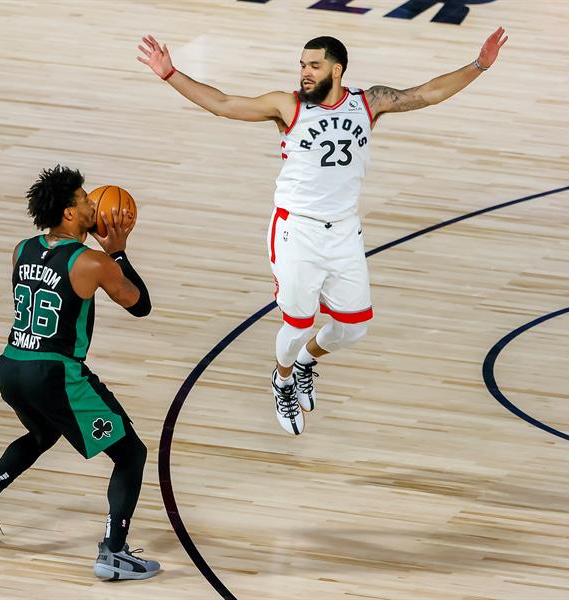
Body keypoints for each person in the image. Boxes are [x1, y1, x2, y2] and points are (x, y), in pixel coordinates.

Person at [137, 29, 507, 435]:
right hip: (297, 230)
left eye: (313, 66)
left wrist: (479, 66)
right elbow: (224, 104)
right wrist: (170, 73)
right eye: (302, 65)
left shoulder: (369, 102)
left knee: (353, 328)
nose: (305, 73)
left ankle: (305, 362)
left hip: (345, 231)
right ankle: (281, 381)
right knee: (296, 323)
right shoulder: (288, 106)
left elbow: (428, 93)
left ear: (337, 68)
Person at [0, 165, 160, 581]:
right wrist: (118, 252)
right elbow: (140, 305)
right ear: (69, 213)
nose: (92, 202)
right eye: (85, 199)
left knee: (42, 434)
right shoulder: (92, 262)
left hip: (11, 365)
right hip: (56, 373)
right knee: (131, 454)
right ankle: (114, 553)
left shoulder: (22, 248)